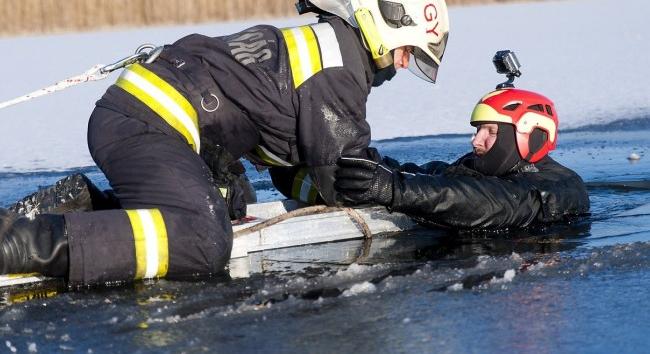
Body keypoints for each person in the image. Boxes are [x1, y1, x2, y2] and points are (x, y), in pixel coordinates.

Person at [0, 0, 450, 285]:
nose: (401, 66)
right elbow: (348, 178)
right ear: (386, 27)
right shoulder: (340, 68)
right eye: (407, 52)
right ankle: (19, 245)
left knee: (233, 199)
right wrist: (408, 189)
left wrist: (316, 187)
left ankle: (83, 208)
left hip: (143, 116)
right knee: (204, 239)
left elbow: (291, 167)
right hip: (151, 122)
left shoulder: (327, 41)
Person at [334, 88, 590, 229]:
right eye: (477, 130)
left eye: (490, 131)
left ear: (528, 134)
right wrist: (375, 167)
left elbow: (487, 201)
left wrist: (392, 188)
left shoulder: (560, 186)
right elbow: (443, 178)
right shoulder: (482, 168)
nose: (476, 140)